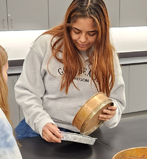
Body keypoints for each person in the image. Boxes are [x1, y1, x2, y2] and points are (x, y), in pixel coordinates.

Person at [14, 0, 126, 143]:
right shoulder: (46, 45)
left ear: (102, 31)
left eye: (91, 33)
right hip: (40, 129)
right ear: (68, 26)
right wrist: (41, 122)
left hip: (85, 134)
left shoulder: (108, 57)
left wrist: (111, 112)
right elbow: (27, 92)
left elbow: (116, 100)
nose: (83, 39)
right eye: (76, 31)